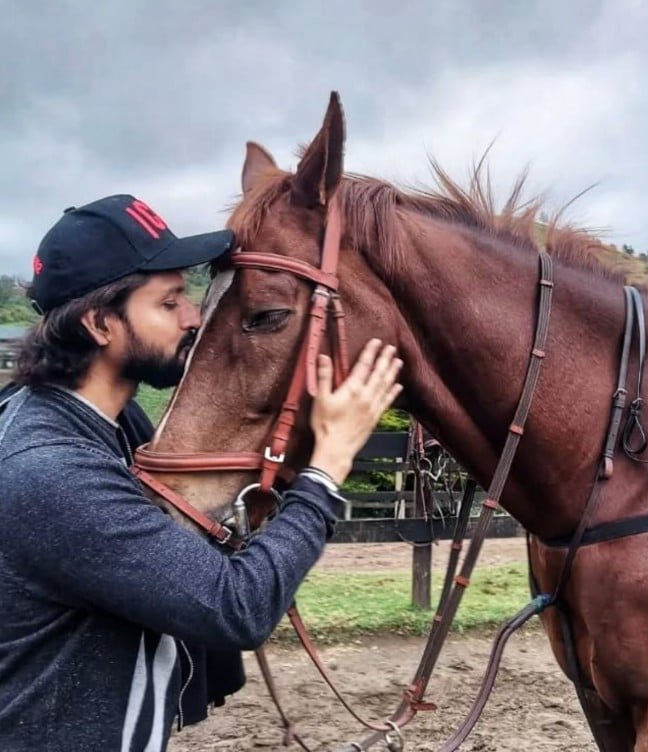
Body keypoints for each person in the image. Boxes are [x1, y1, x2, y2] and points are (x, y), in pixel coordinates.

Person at [0, 195, 403, 752]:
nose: (193, 317)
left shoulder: (105, 423)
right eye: (169, 303)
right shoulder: (50, 468)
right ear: (99, 324)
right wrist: (327, 467)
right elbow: (234, 606)